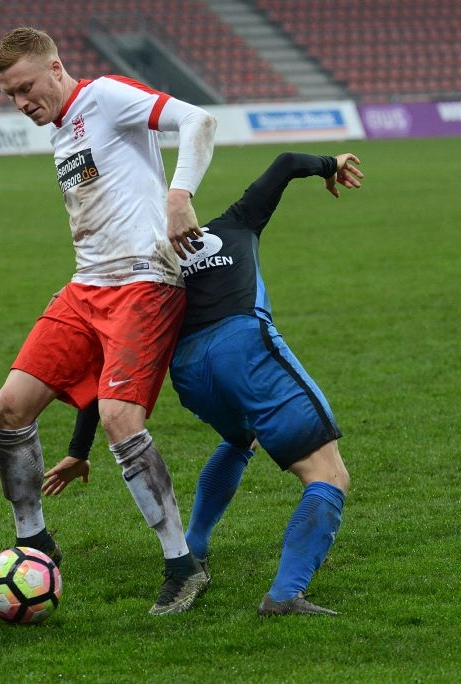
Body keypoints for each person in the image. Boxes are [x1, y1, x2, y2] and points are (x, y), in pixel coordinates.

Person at [52, 152, 362, 616]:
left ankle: (194, 542)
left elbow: (109, 368)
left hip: (191, 373)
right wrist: (329, 164)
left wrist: (79, 448)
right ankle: (284, 596)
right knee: (330, 475)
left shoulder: (149, 265)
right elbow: (284, 164)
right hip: (243, 348)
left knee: (241, 437)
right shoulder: (236, 222)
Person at [0, 27, 217, 616]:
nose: (21, 103)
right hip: (87, 286)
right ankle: (34, 541)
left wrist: (179, 194)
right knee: (8, 408)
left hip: (144, 281)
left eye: (26, 88)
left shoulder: (106, 96)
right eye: (10, 95)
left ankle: (181, 565)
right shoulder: (63, 130)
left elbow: (198, 121)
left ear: (56, 68)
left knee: (120, 418)